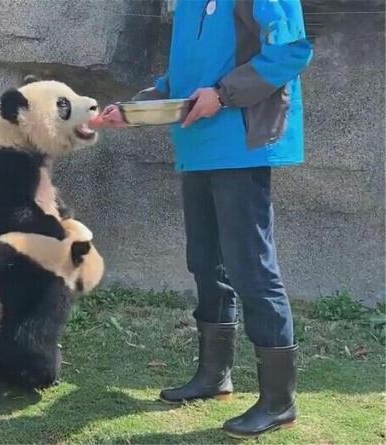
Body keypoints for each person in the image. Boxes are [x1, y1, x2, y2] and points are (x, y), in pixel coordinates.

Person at [94, 0, 313, 439]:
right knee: (205, 262)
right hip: (196, 148)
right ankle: (214, 376)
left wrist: (225, 93)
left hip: (241, 144)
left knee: (250, 266)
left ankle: (278, 402)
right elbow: (181, 82)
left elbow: (291, 52)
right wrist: (135, 108)